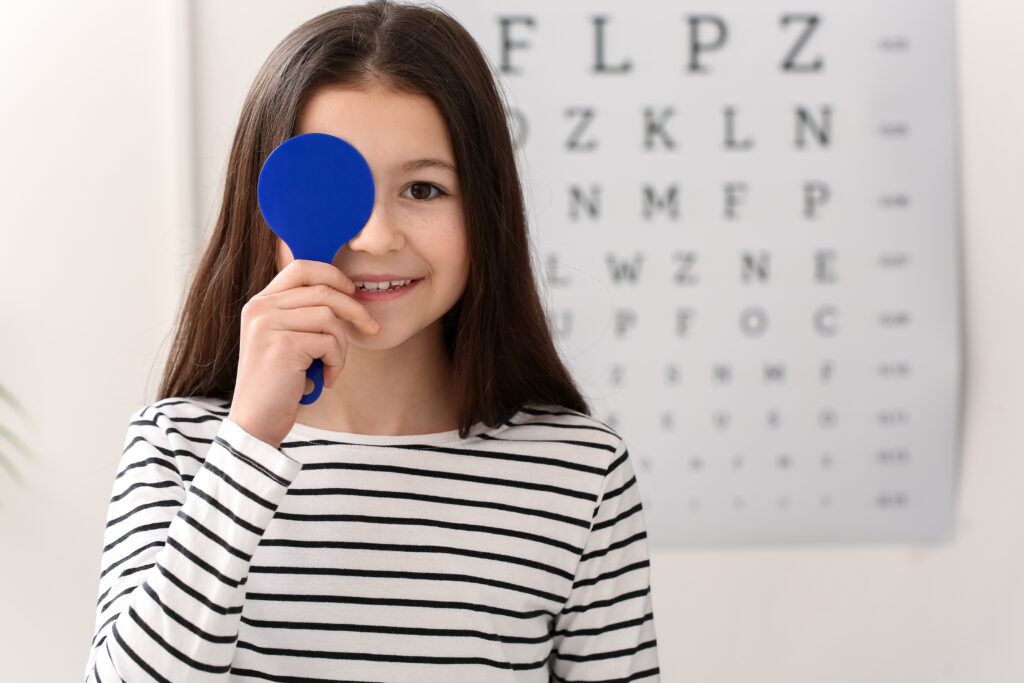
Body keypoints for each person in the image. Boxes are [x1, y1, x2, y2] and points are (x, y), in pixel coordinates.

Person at [85, 1, 660, 680]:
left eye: (424, 187)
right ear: (260, 210)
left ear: (487, 205)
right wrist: (247, 442)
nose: (378, 237)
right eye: (336, 189)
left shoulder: (580, 473)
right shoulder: (177, 449)